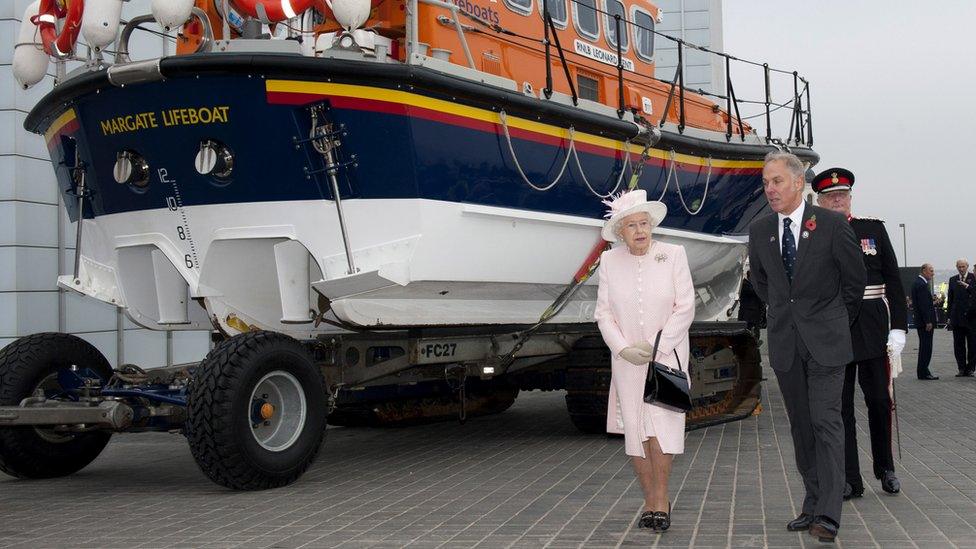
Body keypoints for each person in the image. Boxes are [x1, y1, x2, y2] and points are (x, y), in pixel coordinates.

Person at [747, 152, 866, 543]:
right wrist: (788, 313)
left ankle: (829, 513)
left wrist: (832, 321)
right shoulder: (760, 229)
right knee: (800, 426)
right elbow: (764, 285)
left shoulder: (831, 224)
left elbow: (854, 282)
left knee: (826, 421)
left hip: (827, 343)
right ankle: (813, 502)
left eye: (777, 181)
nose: (770, 189)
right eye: (766, 182)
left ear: (798, 183)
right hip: (786, 343)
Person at [594, 189, 695, 533]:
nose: (639, 230)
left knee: (662, 429)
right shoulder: (609, 261)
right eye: (632, 225)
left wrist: (659, 347)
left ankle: (661, 500)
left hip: (666, 357)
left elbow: (686, 306)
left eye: (644, 223)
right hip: (627, 362)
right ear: (620, 231)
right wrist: (622, 348)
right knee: (636, 430)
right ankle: (648, 500)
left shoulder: (674, 254)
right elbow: (603, 313)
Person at [812, 167, 906, 500]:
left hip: (871, 326)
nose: (838, 200)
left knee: (880, 401)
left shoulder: (873, 229)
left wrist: (898, 329)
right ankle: (850, 478)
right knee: (841, 408)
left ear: (850, 197)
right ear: (820, 201)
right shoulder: (813, 233)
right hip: (834, 329)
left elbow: (893, 280)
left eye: (842, 195)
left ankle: (886, 468)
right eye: (831, 196)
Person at [946, 259, 976, 376]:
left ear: (967, 266)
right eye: (959, 267)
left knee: (973, 344)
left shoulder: (973, 278)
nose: (961, 269)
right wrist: (949, 316)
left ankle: (971, 368)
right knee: (958, 345)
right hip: (957, 318)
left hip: (971, 318)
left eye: (963, 266)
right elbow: (950, 300)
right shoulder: (953, 280)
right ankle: (961, 368)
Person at [912, 264, 938, 379]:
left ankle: (923, 370)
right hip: (925, 323)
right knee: (926, 347)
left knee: (924, 346)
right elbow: (924, 305)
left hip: (921, 321)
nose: (933, 273)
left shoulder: (918, 283)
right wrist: (928, 321)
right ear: (923, 271)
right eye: (931, 271)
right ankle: (923, 372)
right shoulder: (921, 285)